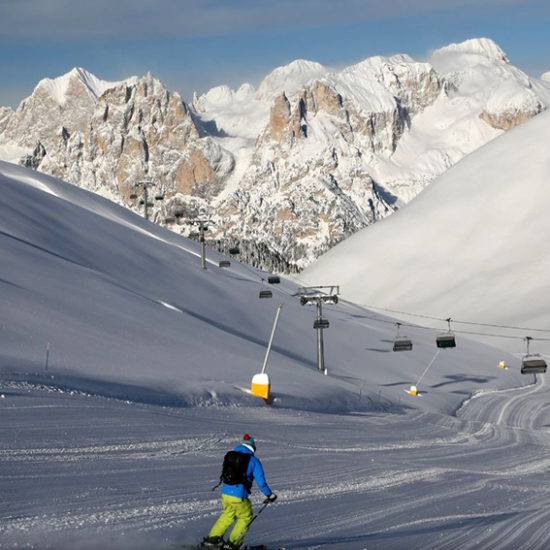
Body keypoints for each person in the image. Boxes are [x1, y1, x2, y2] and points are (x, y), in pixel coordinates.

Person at [202, 434, 277, 549]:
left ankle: (212, 540)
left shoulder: (231, 456)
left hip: (226, 494)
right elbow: (261, 483)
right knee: (245, 517)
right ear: (253, 447)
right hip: (238, 495)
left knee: (228, 515)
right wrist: (269, 495)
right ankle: (233, 544)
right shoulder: (253, 461)